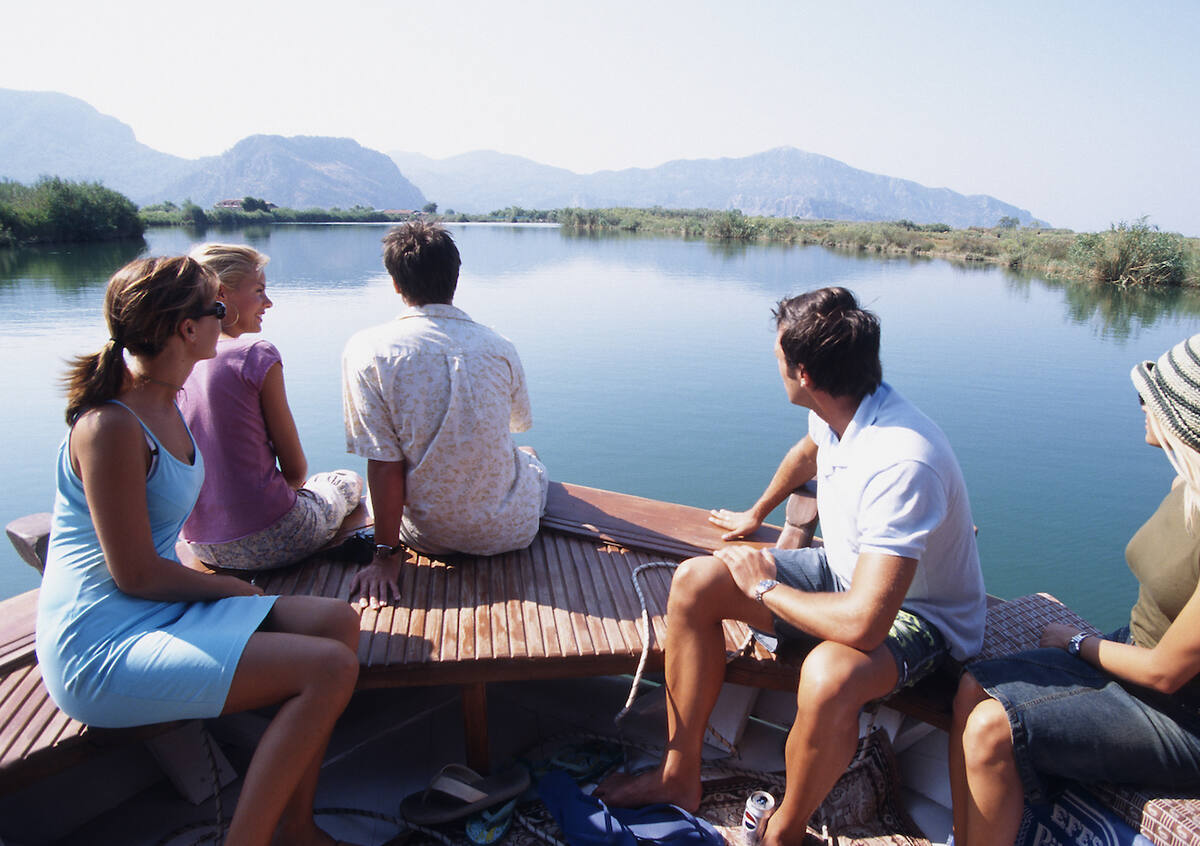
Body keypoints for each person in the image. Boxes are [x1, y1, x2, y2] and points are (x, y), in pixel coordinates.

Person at [595, 287, 987, 846]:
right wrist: (757, 511)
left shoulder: (904, 460)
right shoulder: (843, 408)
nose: (772, 365)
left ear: (802, 373)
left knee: (829, 675)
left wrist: (765, 588)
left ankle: (787, 829)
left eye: (776, 357)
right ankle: (678, 777)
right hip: (846, 574)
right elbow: (808, 453)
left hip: (923, 616)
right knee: (696, 582)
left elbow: (864, 626)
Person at [35, 256, 362, 846]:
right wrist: (232, 588)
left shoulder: (165, 400)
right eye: (217, 309)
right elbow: (132, 572)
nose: (225, 318)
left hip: (157, 608)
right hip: (101, 641)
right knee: (328, 671)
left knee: (337, 623)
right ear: (188, 329)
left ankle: (297, 827)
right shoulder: (112, 425)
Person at [950, 334, 1200, 846]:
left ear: (1181, 421)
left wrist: (1075, 642)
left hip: (1182, 717)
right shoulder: (1187, 486)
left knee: (992, 728)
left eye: (1149, 398)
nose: (1142, 408)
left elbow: (1166, 671)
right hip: (1136, 661)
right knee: (971, 687)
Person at [341, 222, 548, 607]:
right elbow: (512, 425)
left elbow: (385, 464)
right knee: (529, 454)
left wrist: (385, 557)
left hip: (430, 536)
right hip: (513, 531)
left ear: (395, 283)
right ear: (456, 277)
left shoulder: (368, 350)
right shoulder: (499, 346)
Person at [178, 243, 362, 570]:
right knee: (345, 481)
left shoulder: (176, 361)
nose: (268, 302)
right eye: (259, 291)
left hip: (203, 545)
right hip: (278, 537)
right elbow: (296, 471)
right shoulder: (255, 354)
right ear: (221, 294)